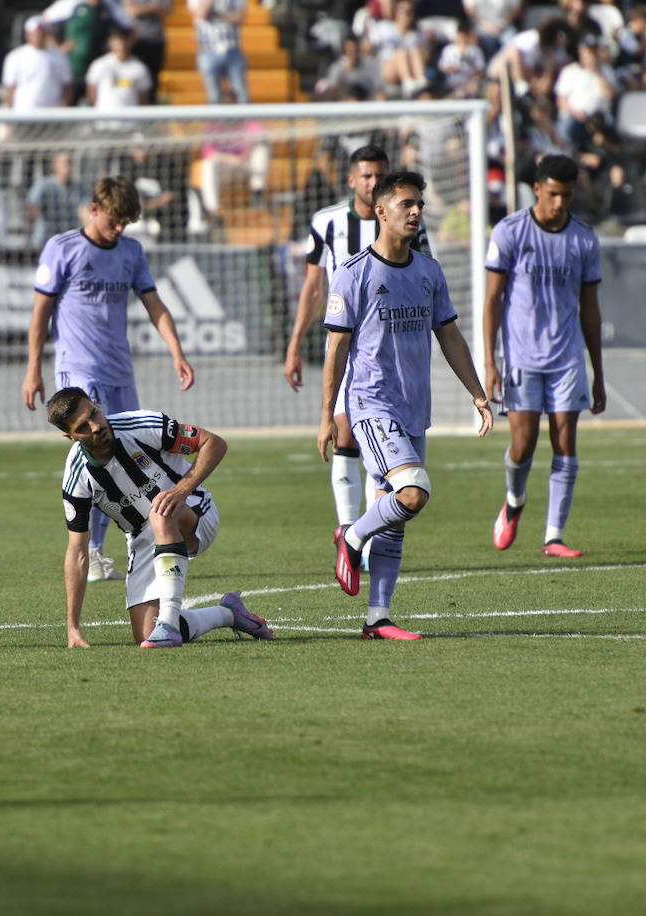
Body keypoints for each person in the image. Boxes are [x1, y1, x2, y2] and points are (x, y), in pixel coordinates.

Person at [319, 170, 494, 640]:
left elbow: (451, 336)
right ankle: (351, 537)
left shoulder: (428, 272)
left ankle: (378, 617)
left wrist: (477, 394)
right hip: (372, 406)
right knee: (413, 491)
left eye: (419, 204)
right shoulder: (354, 274)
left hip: (416, 409)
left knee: (395, 514)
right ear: (381, 211)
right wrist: (325, 416)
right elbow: (335, 349)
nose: (416, 212)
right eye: (406, 205)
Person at [22, 177, 195, 583]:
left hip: (120, 371)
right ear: (94, 209)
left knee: (130, 457)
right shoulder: (62, 248)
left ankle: (128, 543)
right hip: (79, 371)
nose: (120, 230)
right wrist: (33, 368)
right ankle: (94, 552)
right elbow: (40, 313)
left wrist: (177, 352)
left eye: (126, 223)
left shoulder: (131, 252)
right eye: (115, 221)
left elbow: (154, 304)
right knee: (100, 457)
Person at [47, 386, 273, 649]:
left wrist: (181, 490)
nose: (95, 426)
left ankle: (168, 625)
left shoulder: (141, 425)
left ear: (97, 405)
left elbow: (214, 443)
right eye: (83, 426)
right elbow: (77, 551)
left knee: (159, 512)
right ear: (71, 436)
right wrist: (73, 627)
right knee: (144, 633)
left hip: (194, 509)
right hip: (144, 538)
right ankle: (230, 614)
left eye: (94, 414)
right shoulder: (78, 476)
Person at [284, 146, 431, 540]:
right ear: (352, 180)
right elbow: (314, 286)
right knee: (344, 431)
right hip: (347, 341)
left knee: (375, 447)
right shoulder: (328, 222)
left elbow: (420, 279)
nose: (372, 183)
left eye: (379, 176)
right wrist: (295, 342)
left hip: (390, 343)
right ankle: (348, 526)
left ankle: (369, 531)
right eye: (366, 176)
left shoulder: (408, 226)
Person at [482, 154, 605, 560]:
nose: (559, 203)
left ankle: (554, 535)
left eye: (566, 196)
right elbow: (492, 300)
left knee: (565, 440)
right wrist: (490, 362)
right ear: (537, 189)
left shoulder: (584, 239)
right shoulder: (510, 232)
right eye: (553, 194)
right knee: (524, 443)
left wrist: (598, 372)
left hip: (567, 356)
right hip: (521, 355)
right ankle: (514, 500)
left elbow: (590, 308)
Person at [188, 0, 249, 104]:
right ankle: (215, 120)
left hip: (232, 49)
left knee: (240, 92)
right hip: (208, 50)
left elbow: (239, 18)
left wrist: (221, 14)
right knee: (214, 94)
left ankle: (246, 119)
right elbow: (200, 14)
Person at [26, 151, 90, 250]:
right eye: (65, 163)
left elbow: (85, 212)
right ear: (55, 166)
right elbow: (32, 213)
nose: (69, 167)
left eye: (70, 163)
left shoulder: (81, 187)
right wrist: (28, 240)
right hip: (45, 242)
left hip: (69, 242)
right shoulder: (43, 186)